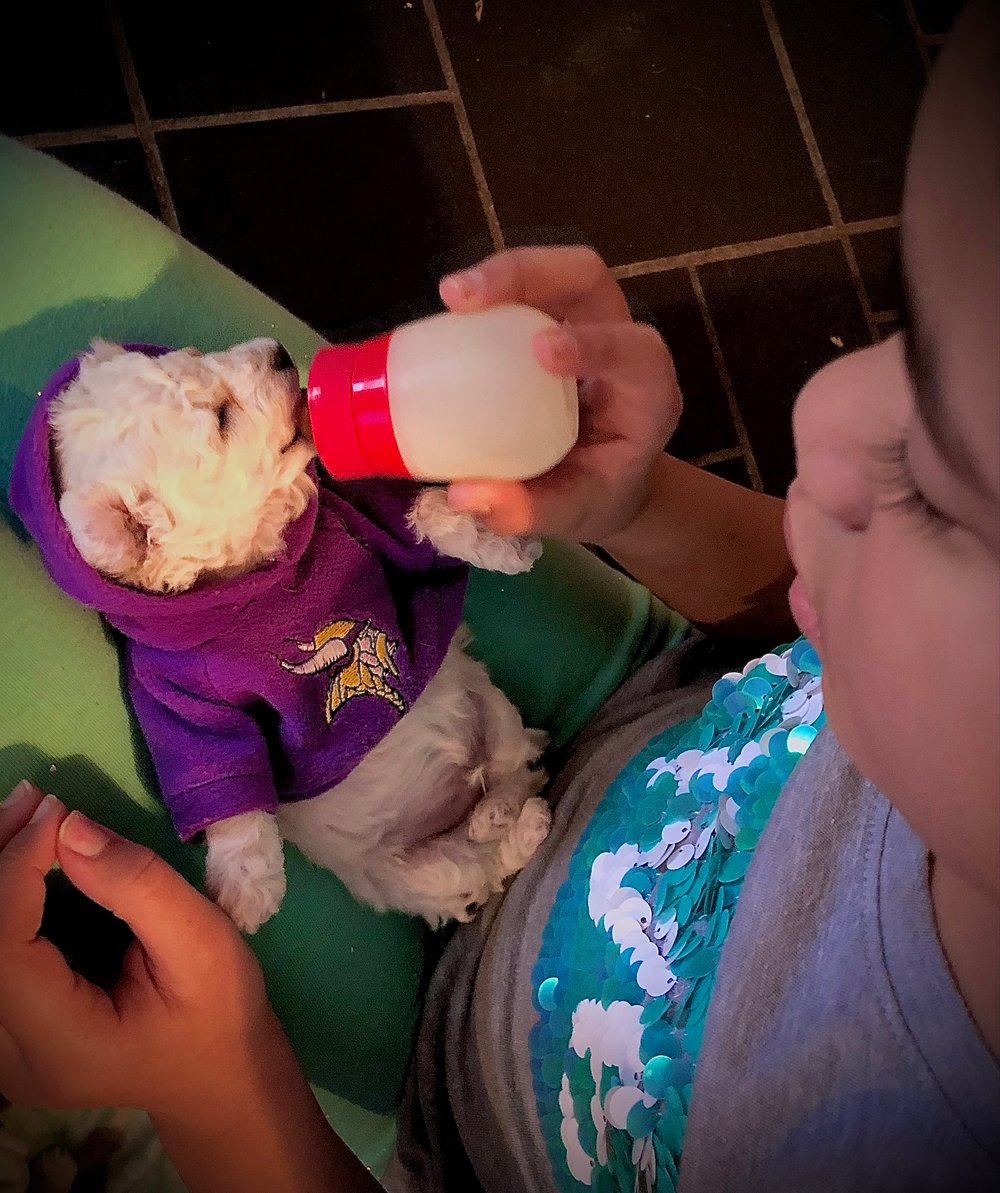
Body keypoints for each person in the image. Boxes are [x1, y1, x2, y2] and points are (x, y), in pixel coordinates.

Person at [0, 2, 996, 1190]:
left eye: (938, 485)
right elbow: (791, 618)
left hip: (420, 1095)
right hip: (629, 700)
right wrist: (635, 502)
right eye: (903, 332)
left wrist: (217, 1076)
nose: (817, 417)